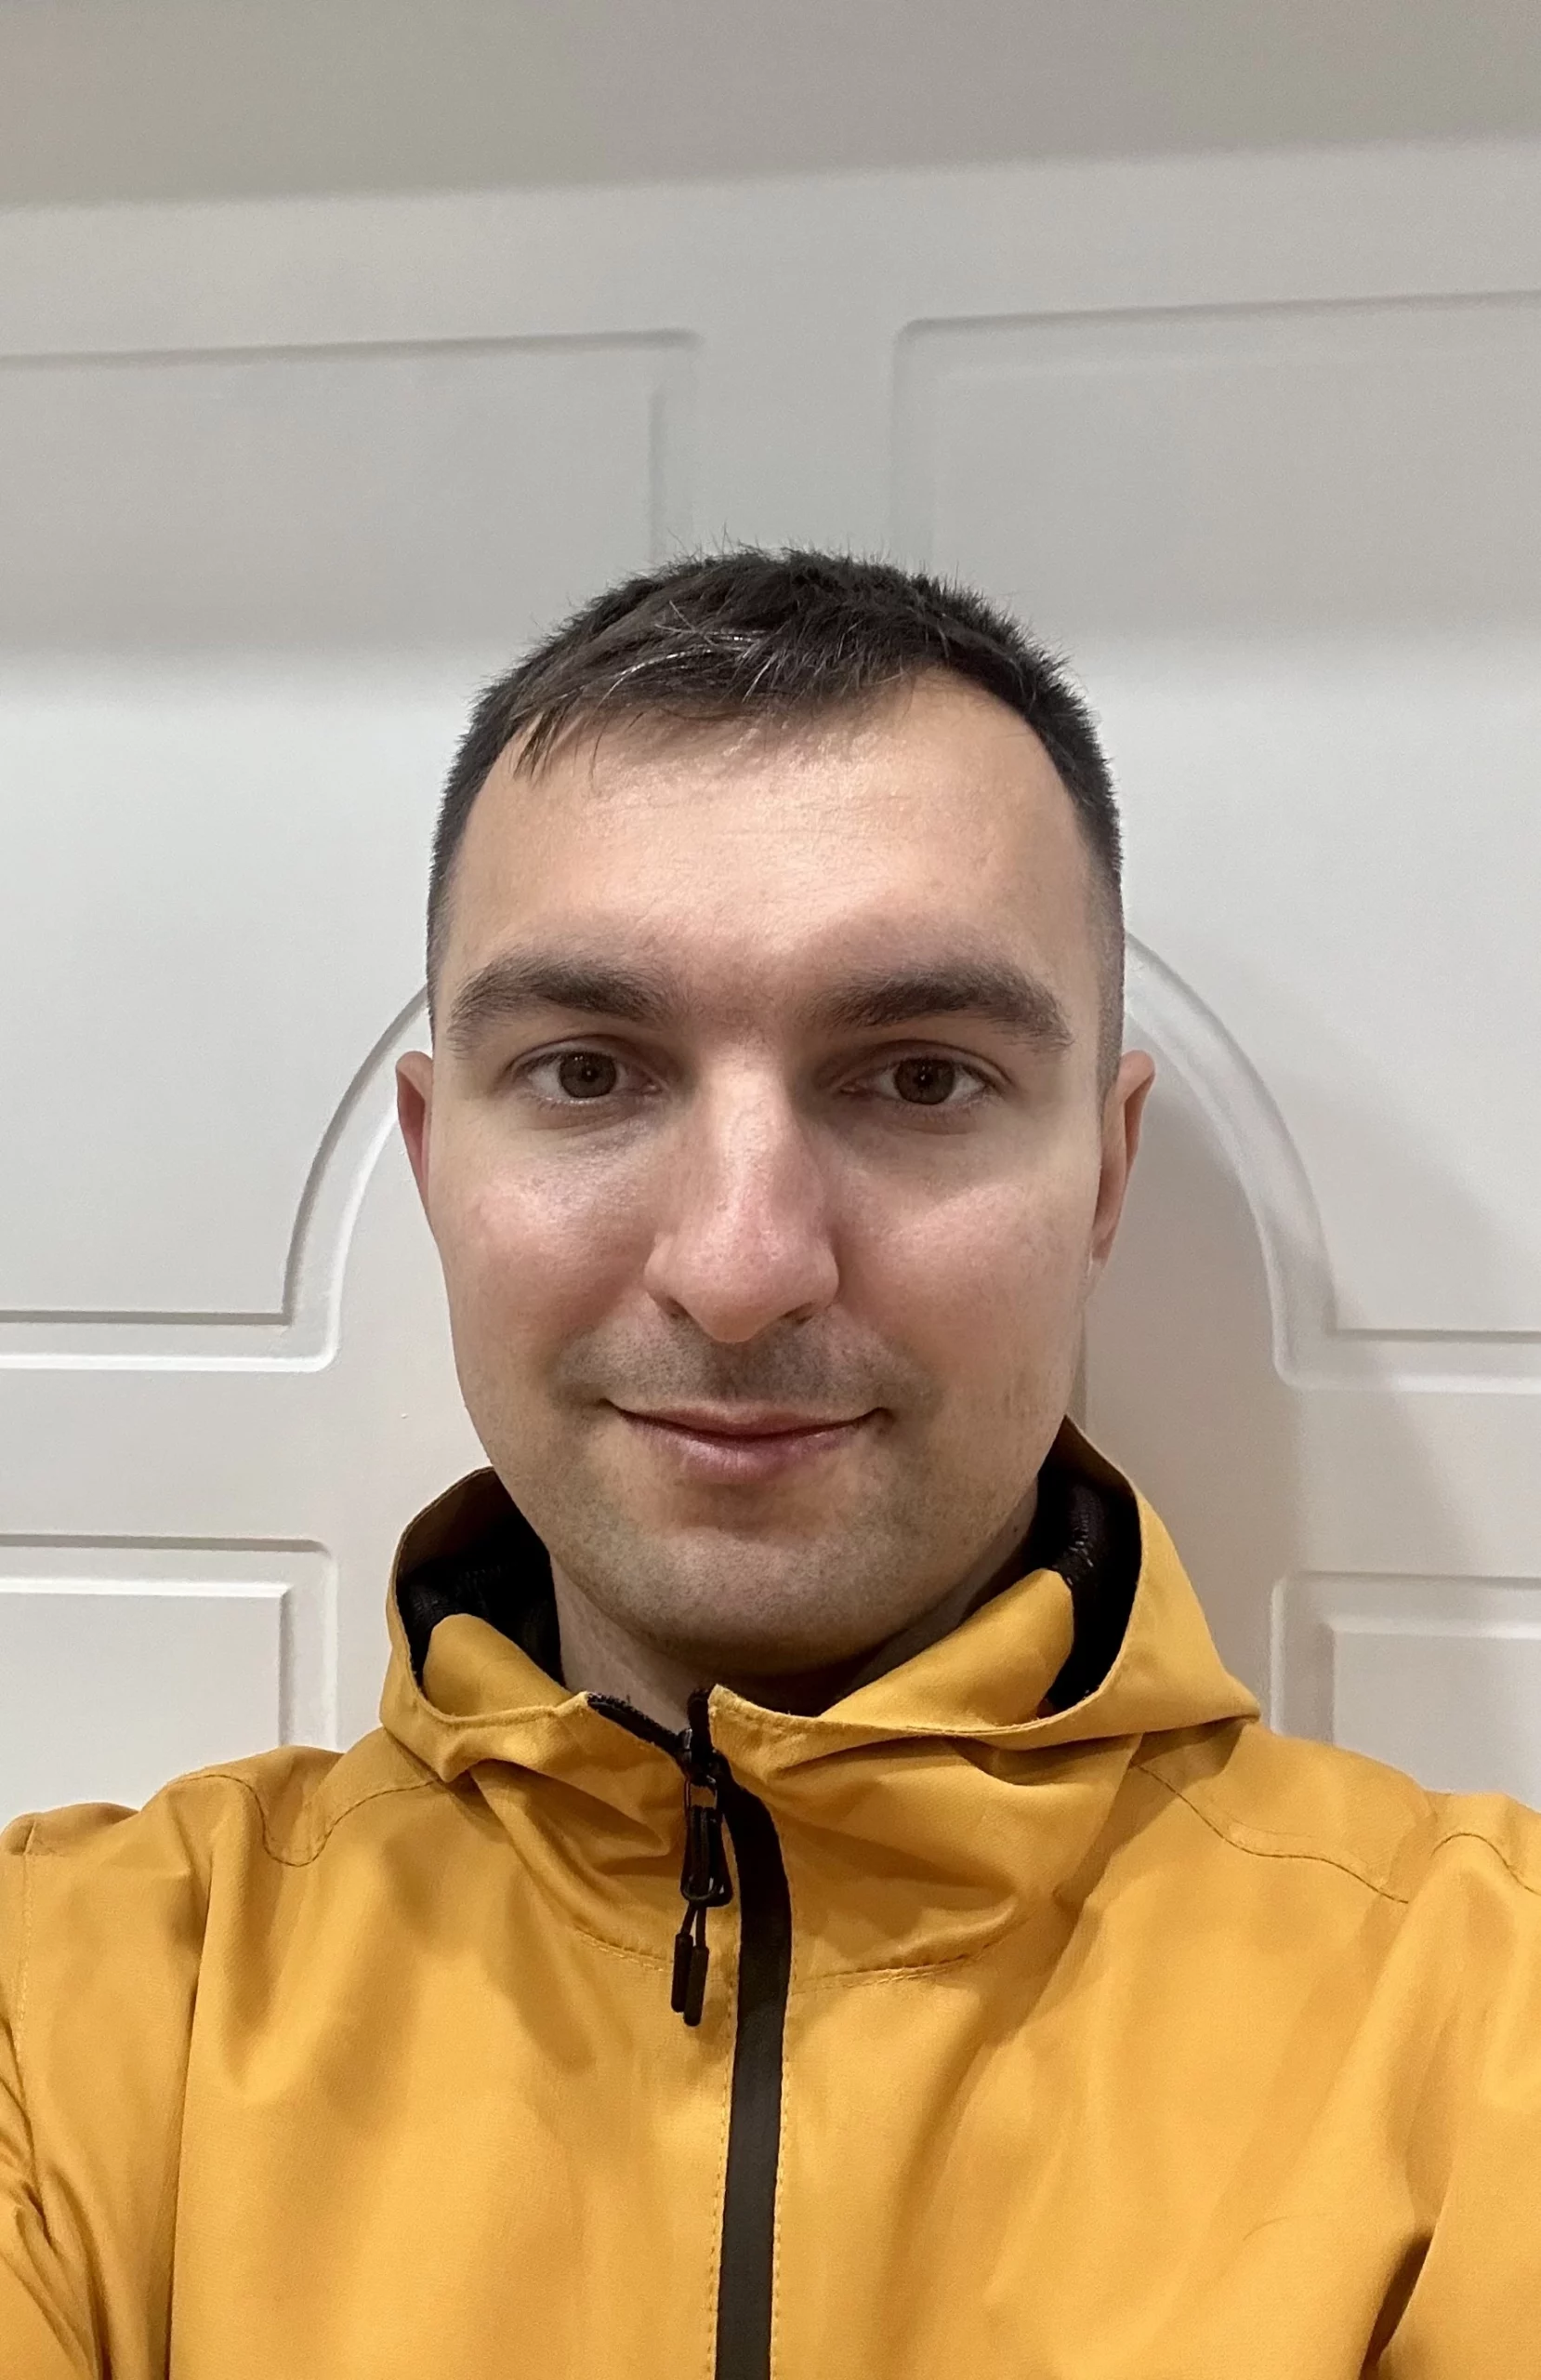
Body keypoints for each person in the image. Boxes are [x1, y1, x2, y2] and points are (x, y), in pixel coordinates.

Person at [3, 549, 1537, 2380]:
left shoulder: (1484, 2027)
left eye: (919, 1076)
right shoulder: (66, 2013)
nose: (739, 1269)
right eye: (588, 1072)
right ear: (433, 1161)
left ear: (1104, 1172)